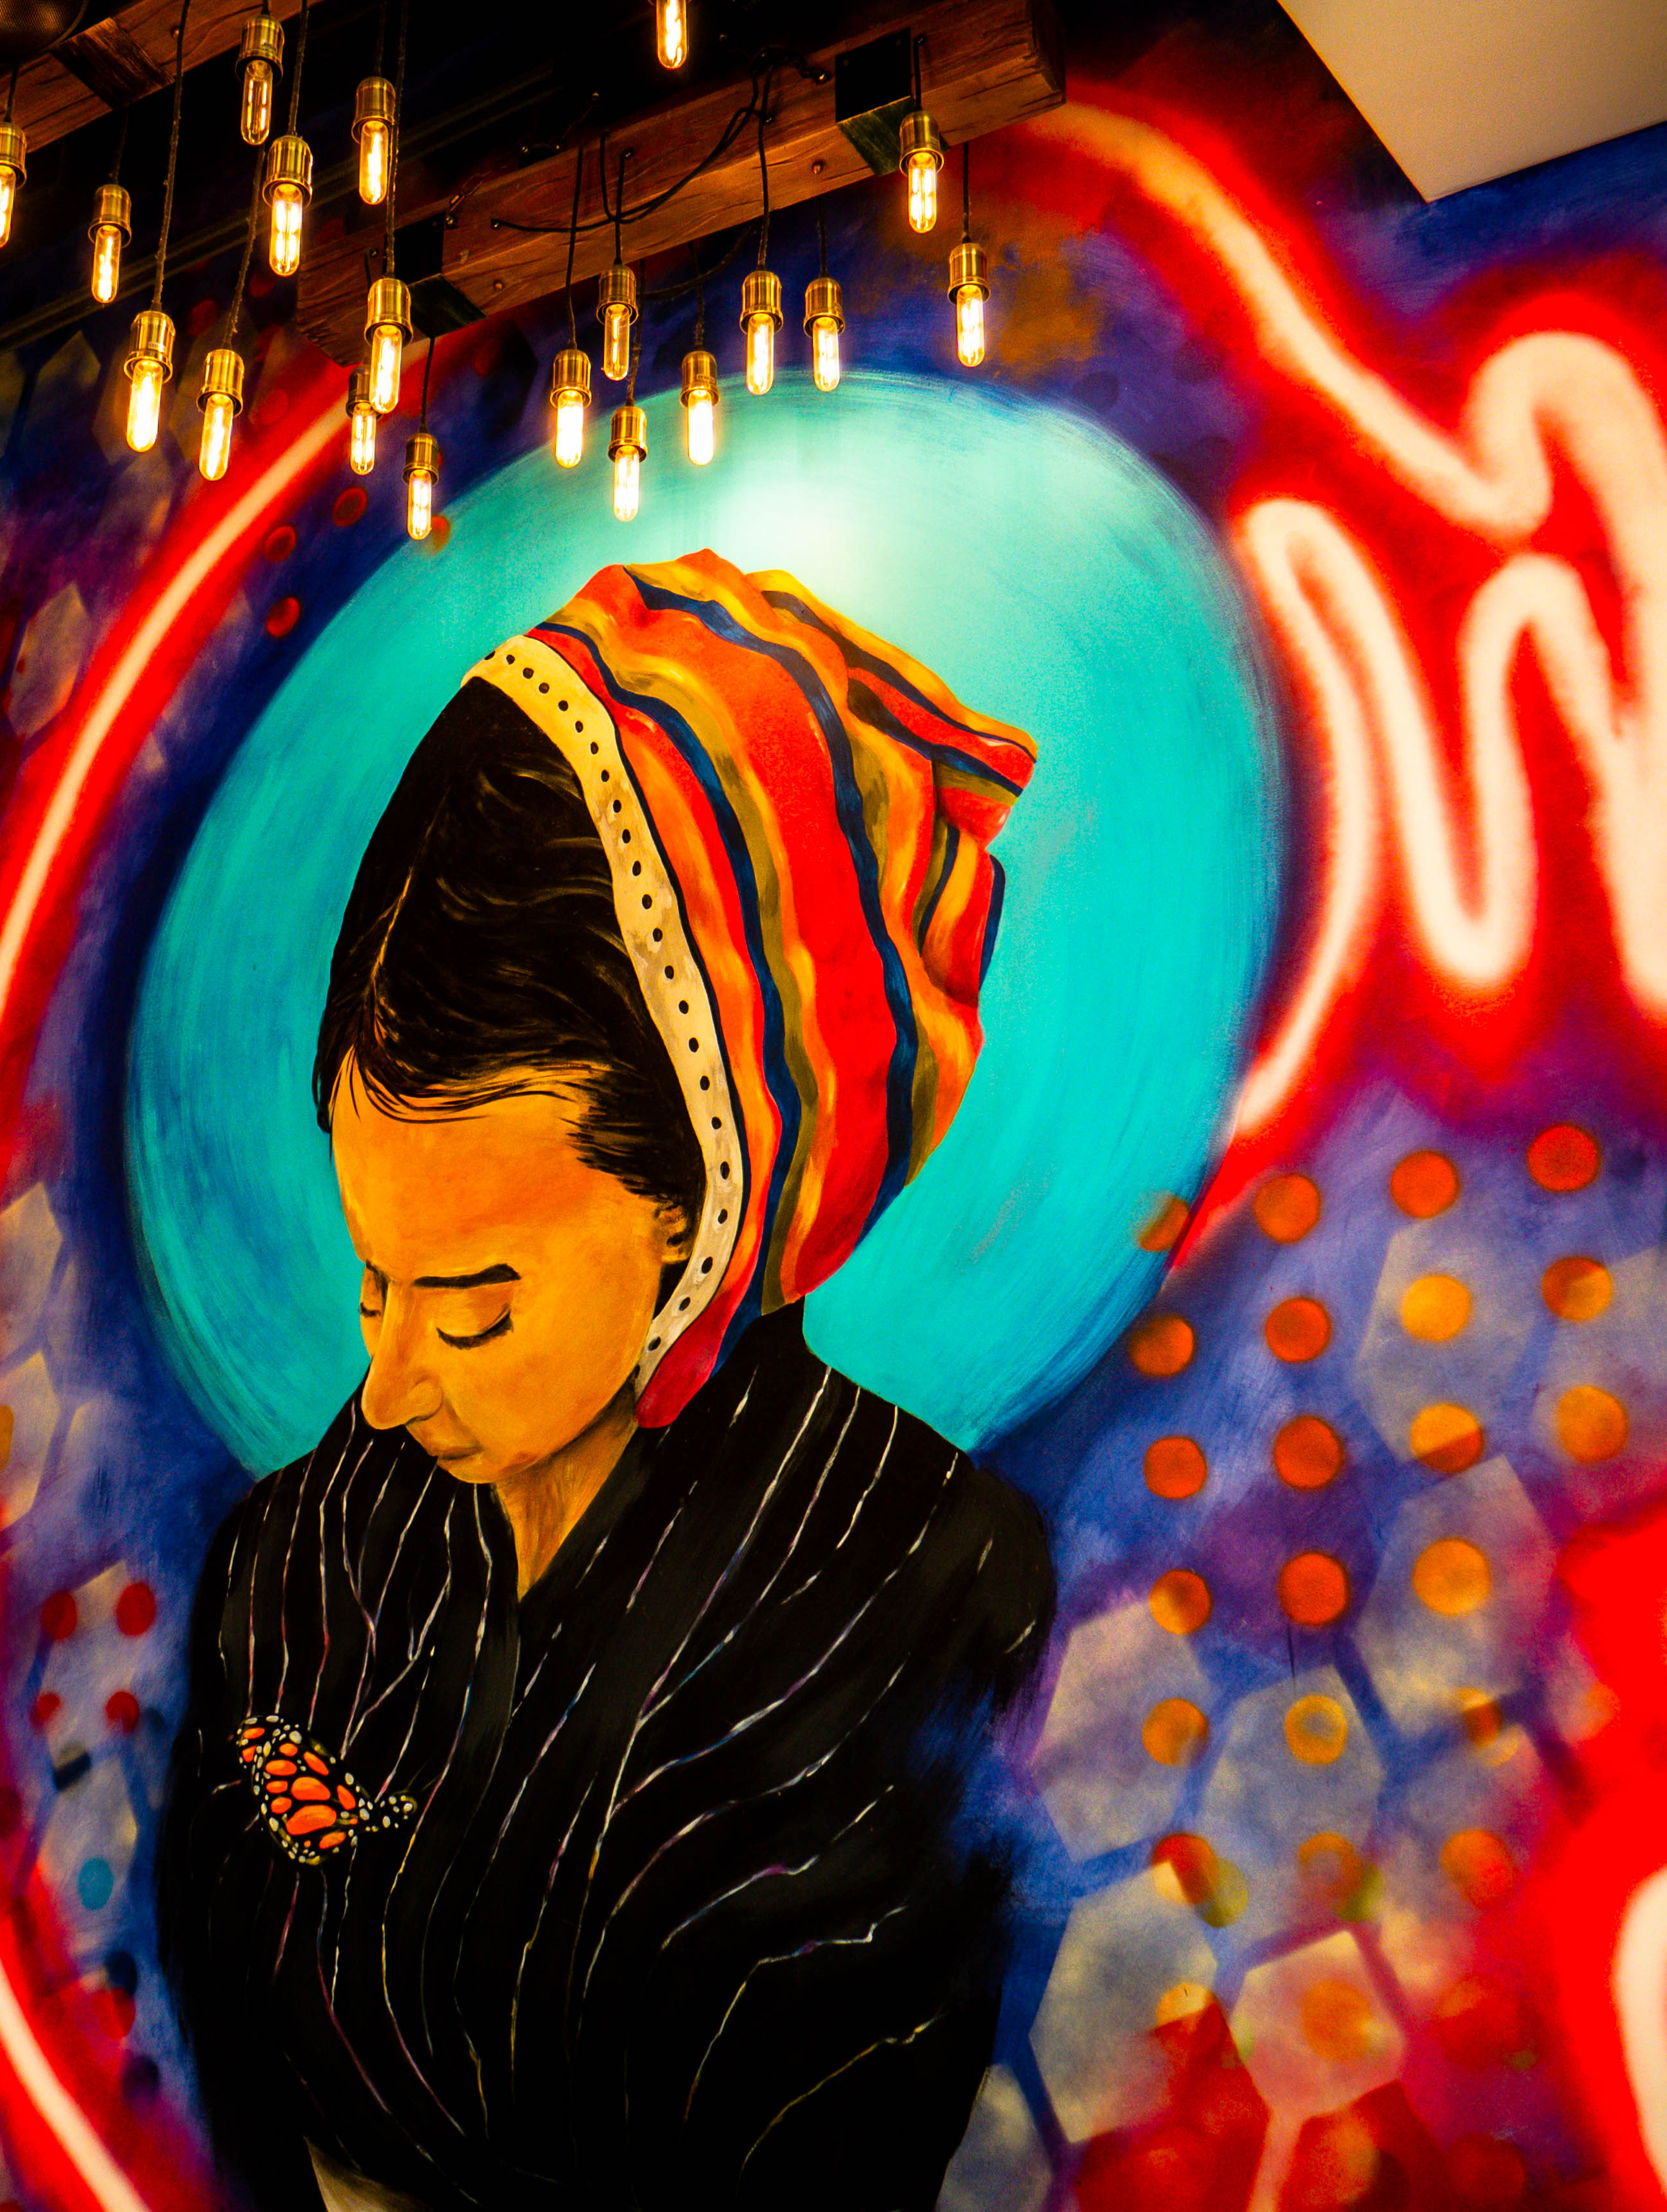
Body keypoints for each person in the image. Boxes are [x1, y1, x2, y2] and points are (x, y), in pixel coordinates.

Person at [157, 552, 1056, 2212]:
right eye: (373, 1283)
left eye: (474, 1307)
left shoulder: (932, 1602)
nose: (386, 1388)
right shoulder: (293, 1570)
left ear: (703, 1220)